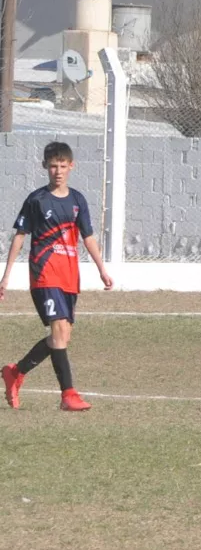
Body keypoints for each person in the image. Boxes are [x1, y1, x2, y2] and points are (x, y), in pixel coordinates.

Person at [1, 141, 113, 411]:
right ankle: (68, 395)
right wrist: (6, 276)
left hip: (69, 276)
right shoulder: (36, 200)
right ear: (45, 167)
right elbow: (19, 237)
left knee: (61, 338)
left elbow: (88, 238)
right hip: (44, 273)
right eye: (53, 166)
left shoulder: (77, 200)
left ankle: (16, 372)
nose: (58, 171)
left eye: (63, 166)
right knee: (59, 331)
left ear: (71, 167)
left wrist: (101, 269)